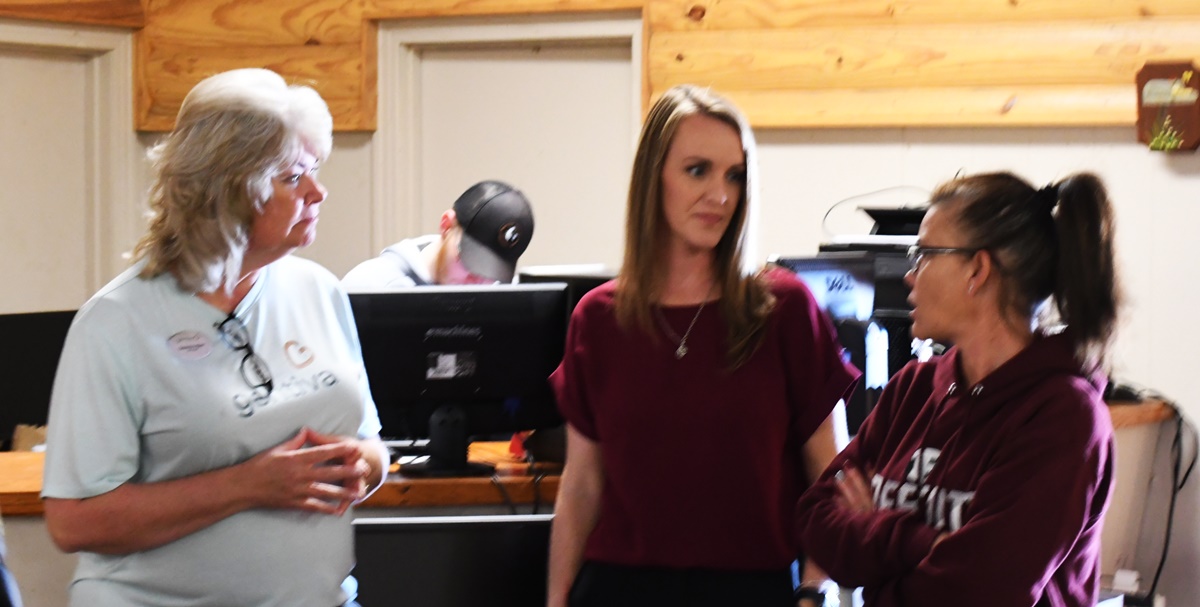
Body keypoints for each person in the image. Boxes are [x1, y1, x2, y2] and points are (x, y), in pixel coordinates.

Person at [40, 68, 389, 607]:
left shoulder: (320, 291)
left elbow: (371, 446)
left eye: (315, 170)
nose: (318, 192)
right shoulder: (114, 322)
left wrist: (362, 463)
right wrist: (249, 485)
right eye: (293, 177)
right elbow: (74, 522)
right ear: (227, 190)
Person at [546, 84, 860, 607]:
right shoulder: (598, 318)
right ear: (653, 178)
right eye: (698, 170)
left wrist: (814, 590)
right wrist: (556, 600)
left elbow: (832, 475)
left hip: (752, 590)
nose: (720, 194)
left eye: (734, 176)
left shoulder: (783, 307)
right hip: (617, 589)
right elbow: (582, 485)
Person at [796, 172, 1122, 606]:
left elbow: (981, 590)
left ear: (977, 270)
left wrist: (871, 536)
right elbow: (817, 518)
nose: (909, 275)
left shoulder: (1064, 418)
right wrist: (923, 543)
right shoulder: (913, 388)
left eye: (924, 254)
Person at [341, 180, 534, 288]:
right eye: (470, 261)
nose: (476, 281)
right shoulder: (369, 285)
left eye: (491, 271)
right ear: (446, 225)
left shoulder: (504, 298)